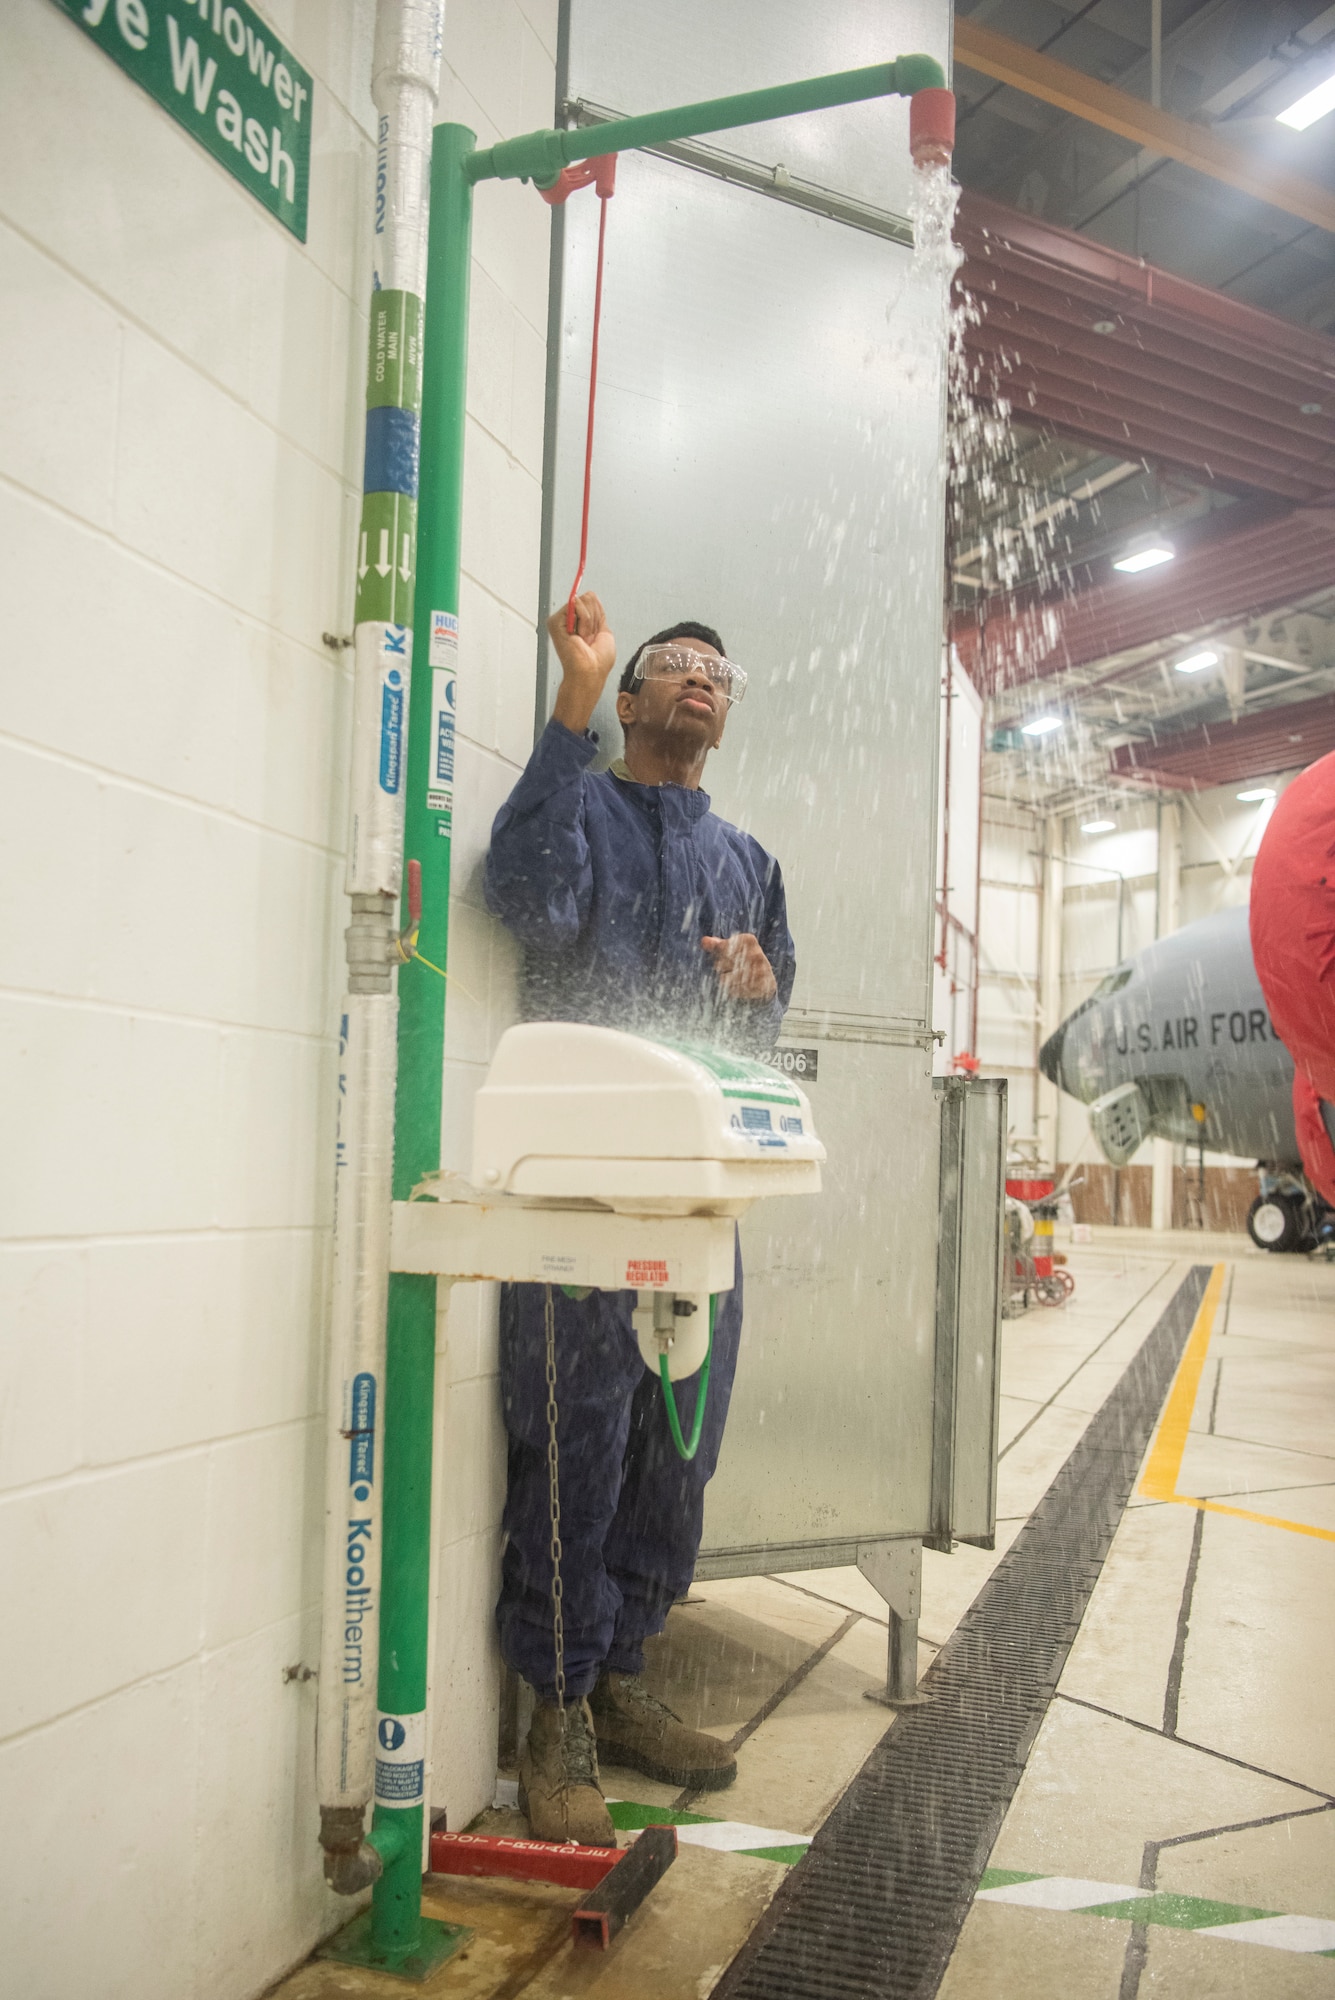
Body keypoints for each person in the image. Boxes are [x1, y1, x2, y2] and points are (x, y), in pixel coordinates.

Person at [484, 591, 795, 1843]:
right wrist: (572, 688)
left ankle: (624, 1677)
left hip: (698, 1197)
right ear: (630, 701)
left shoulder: (749, 862)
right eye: (671, 670)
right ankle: (555, 1709)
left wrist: (760, 989)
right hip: (582, 1197)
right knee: (578, 1441)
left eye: (717, 673)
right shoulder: (589, 812)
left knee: (681, 1452)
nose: (698, 682)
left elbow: (763, 1031)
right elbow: (523, 889)